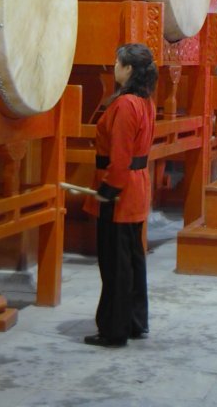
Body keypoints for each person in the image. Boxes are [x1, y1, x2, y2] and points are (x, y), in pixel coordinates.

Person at [83, 43, 158, 347]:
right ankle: (134, 321)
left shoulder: (126, 104)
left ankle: (114, 329)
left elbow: (120, 154)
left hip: (121, 188)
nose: (113, 67)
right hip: (136, 184)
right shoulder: (145, 101)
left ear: (128, 69)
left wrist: (109, 189)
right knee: (132, 258)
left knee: (116, 262)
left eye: (117, 62)